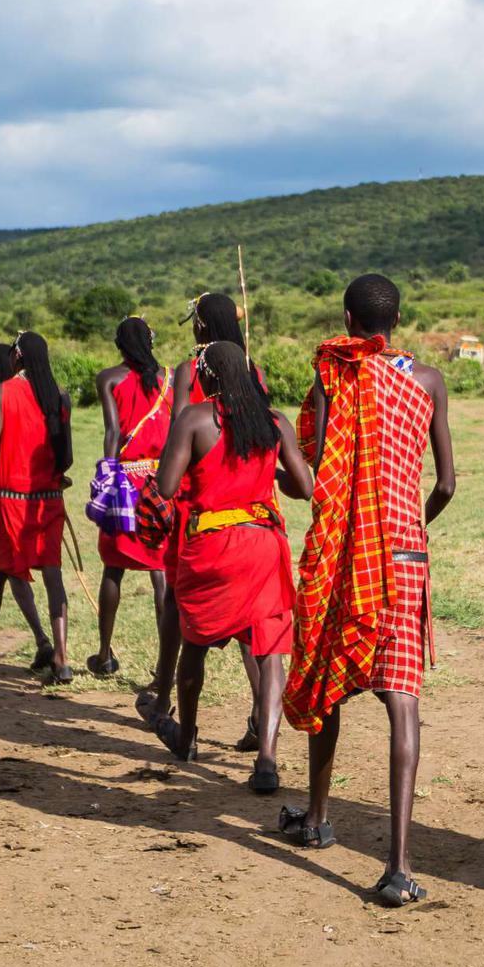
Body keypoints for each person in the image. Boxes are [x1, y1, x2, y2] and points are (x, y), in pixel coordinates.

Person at [280, 274, 455, 909]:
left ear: (347, 316)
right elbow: (447, 485)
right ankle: (399, 867)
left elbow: (313, 467)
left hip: (348, 551)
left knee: (327, 679)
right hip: (405, 554)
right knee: (402, 706)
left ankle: (320, 819)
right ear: (397, 320)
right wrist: (408, 526)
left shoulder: (333, 376)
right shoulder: (429, 381)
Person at [147, 341, 314, 792]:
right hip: (262, 544)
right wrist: (270, 471)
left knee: (194, 643)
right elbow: (304, 486)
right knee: (270, 648)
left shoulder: (196, 418)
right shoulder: (274, 421)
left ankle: (186, 736)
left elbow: (165, 486)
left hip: (211, 546)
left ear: (210, 376)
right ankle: (267, 758)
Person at [143, 292, 265, 746]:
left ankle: (164, 700)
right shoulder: (253, 370)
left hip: (198, 507)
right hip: (253, 507)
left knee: (180, 606)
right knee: (251, 619)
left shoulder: (188, 372)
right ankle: (259, 714)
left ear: (200, 326)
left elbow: (177, 432)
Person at [0, 331, 75, 680]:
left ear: (18, 357)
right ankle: (60, 658)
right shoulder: (59, 395)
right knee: (53, 577)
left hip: (11, 502)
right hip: (48, 502)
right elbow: (67, 458)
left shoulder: (0, 393)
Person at [88, 317, 174, 678]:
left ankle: (104, 655)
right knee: (161, 571)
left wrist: (107, 472)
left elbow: (112, 431)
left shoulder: (109, 378)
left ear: (119, 344)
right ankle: (163, 665)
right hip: (163, 483)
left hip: (126, 483)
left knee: (114, 567)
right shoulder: (170, 378)